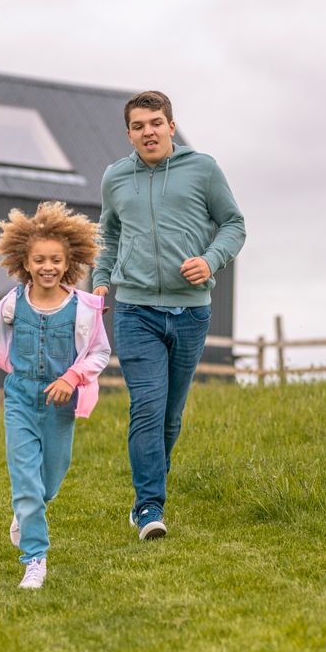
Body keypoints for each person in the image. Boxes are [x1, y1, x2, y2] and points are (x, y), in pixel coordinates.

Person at [91, 90, 246, 540]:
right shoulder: (116, 177)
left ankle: (150, 487)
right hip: (136, 309)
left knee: (170, 416)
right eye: (138, 126)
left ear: (171, 126)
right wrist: (101, 279)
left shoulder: (203, 169)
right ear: (129, 135)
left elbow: (234, 224)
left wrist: (211, 259)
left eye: (156, 123)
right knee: (147, 406)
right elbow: (109, 233)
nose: (148, 132)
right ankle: (149, 507)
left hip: (191, 312)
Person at [0, 202, 110, 589]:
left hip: (60, 404)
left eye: (56, 260)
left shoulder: (83, 310)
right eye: (39, 259)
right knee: (25, 479)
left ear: (68, 263)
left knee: (53, 474)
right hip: (20, 400)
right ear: (25, 263)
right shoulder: (11, 304)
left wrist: (73, 376)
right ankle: (35, 558)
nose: (48, 266)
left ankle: (29, 511)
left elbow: (100, 352)